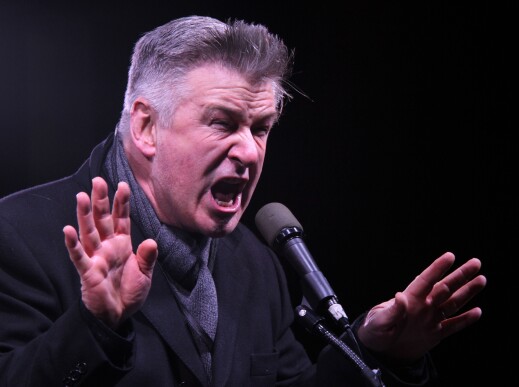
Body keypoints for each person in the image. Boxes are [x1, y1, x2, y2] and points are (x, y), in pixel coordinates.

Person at [0, 15, 486, 387]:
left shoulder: (257, 264)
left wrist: (375, 352)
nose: (251, 152)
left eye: (261, 128)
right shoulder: (18, 236)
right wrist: (96, 326)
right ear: (147, 127)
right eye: (223, 123)